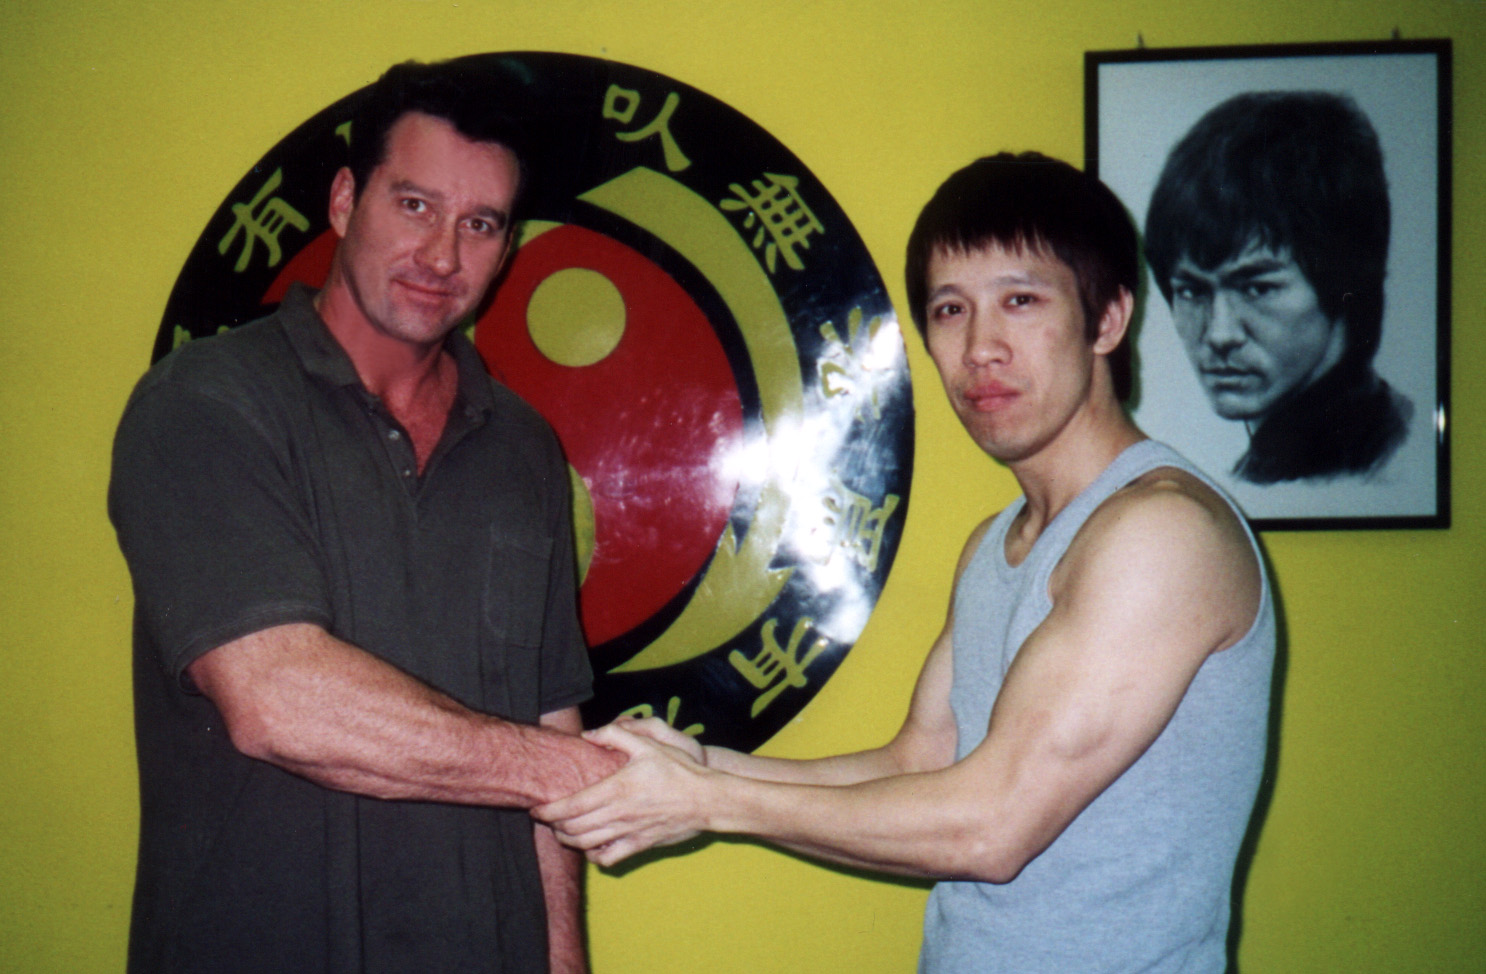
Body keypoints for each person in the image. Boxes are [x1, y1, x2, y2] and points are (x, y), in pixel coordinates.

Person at [536, 153, 1277, 973]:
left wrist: (708, 802)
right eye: (950, 309)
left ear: (1108, 319)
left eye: (1021, 302)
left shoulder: (1162, 533)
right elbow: (918, 763)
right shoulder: (1001, 541)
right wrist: (697, 761)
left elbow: (989, 825)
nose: (981, 348)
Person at [109, 59, 624, 974]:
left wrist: (563, 959)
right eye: (415, 205)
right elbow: (277, 699)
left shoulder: (524, 449)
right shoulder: (206, 404)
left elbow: (551, 716)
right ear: (346, 200)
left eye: (480, 225)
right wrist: (581, 781)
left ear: (509, 248)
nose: (441, 257)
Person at [1144, 90, 1412, 484]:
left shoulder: (1370, 460)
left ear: (1343, 285)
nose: (1220, 334)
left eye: (1257, 289)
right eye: (1193, 291)